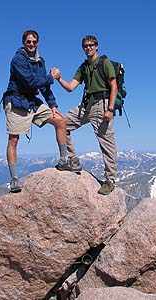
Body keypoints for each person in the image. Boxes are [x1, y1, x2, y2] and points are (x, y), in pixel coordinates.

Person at [2, 30, 71, 193]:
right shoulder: (18, 59)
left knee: (60, 121)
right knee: (13, 139)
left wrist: (53, 105)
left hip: (32, 102)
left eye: (34, 42)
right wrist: (52, 77)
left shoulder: (40, 61)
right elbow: (31, 82)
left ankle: (64, 160)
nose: (31, 44)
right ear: (24, 43)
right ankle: (14, 180)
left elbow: (44, 87)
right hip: (17, 102)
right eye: (28, 42)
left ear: (38, 43)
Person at [53, 35, 118, 195]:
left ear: (97, 46)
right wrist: (59, 78)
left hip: (102, 105)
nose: (88, 48)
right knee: (62, 123)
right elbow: (70, 87)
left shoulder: (104, 63)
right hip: (86, 105)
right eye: (85, 46)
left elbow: (114, 86)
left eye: (91, 45)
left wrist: (110, 109)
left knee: (106, 143)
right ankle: (73, 160)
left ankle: (110, 181)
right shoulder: (83, 67)